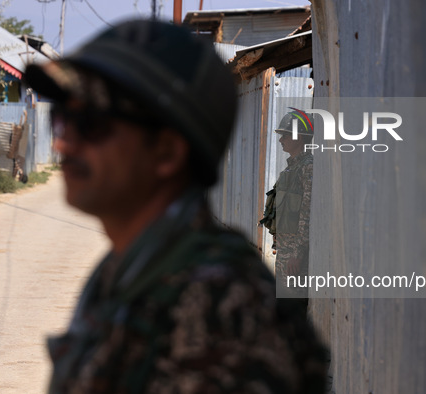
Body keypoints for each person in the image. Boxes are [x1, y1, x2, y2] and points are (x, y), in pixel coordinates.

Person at [25, 20, 326, 394]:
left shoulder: (222, 311)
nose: (63, 144)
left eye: (90, 123)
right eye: (62, 119)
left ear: (167, 151)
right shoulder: (130, 267)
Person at [270, 112, 314, 304]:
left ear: (300, 137)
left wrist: (297, 254)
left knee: (294, 305)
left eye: (286, 135)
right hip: (284, 252)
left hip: (294, 258)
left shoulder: (308, 167)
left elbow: (307, 213)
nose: (281, 139)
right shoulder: (289, 169)